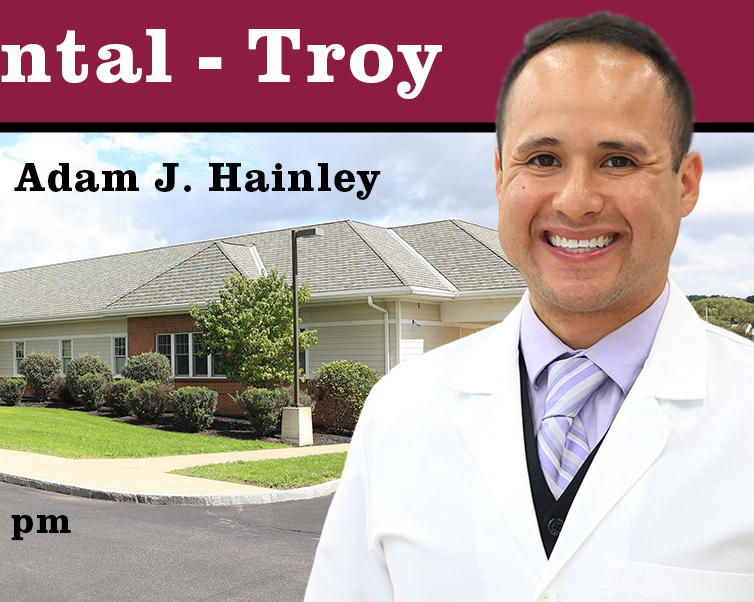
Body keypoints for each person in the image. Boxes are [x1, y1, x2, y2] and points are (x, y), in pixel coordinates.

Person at [306, 13, 754, 601]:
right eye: (542, 159)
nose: (575, 201)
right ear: (499, 177)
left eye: (618, 160)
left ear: (686, 183)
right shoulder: (400, 409)